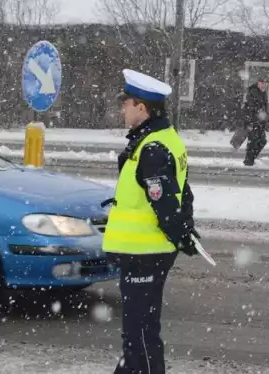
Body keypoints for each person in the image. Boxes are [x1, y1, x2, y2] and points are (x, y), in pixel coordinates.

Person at [102, 69, 200, 374]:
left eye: (126, 104)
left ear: (141, 107)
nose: (122, 110)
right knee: (139, 332)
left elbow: (165, 200)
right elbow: (184, 192)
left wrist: (179, 231)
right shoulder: (163, 139)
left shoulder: (153, 148)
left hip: (145, 252)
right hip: (145, 250)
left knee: (140, 333)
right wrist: (184, 228)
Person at [243, 78, 269, 166]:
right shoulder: (253, 92)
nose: (263, 85)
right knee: (253, 141)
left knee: (262, 141)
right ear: (258, 84)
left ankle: (251, 159)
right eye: (262, 83)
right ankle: (249, 160)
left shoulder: (264, 93)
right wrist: (251, 120)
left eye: (265, 84)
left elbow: (264, 107)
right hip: (252, 121)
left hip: (260, 122)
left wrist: (264, 118)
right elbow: (250, 108)